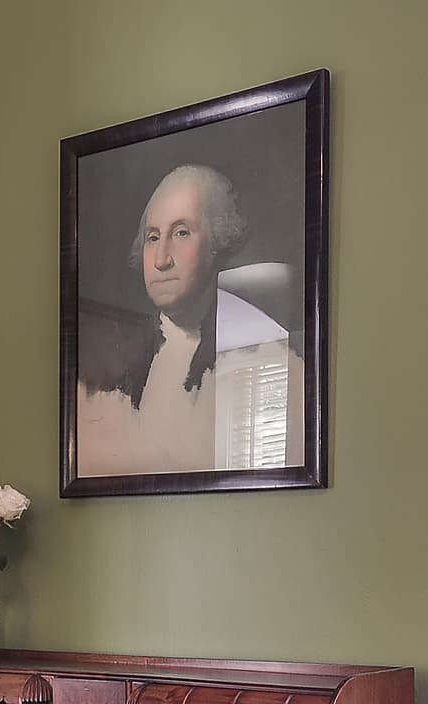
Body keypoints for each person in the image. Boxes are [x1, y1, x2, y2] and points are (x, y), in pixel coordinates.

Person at [76, 163, 305, 476]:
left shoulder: (265, 353)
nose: (161, 260)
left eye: (181, 233)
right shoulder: (115, 366)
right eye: (153, 238)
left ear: (218, 242)